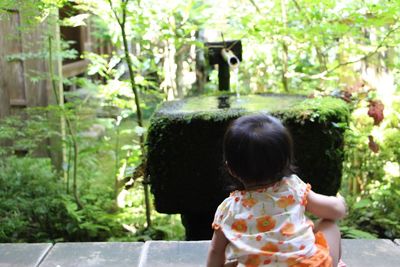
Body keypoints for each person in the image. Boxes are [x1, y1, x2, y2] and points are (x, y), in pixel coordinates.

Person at [207, 114, 347, 267]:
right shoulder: (292, 189)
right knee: (329, 226)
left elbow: (216, 251)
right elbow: (335, 211)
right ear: (285, 162)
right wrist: (340, 202)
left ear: (231, 169)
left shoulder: (228, 209)